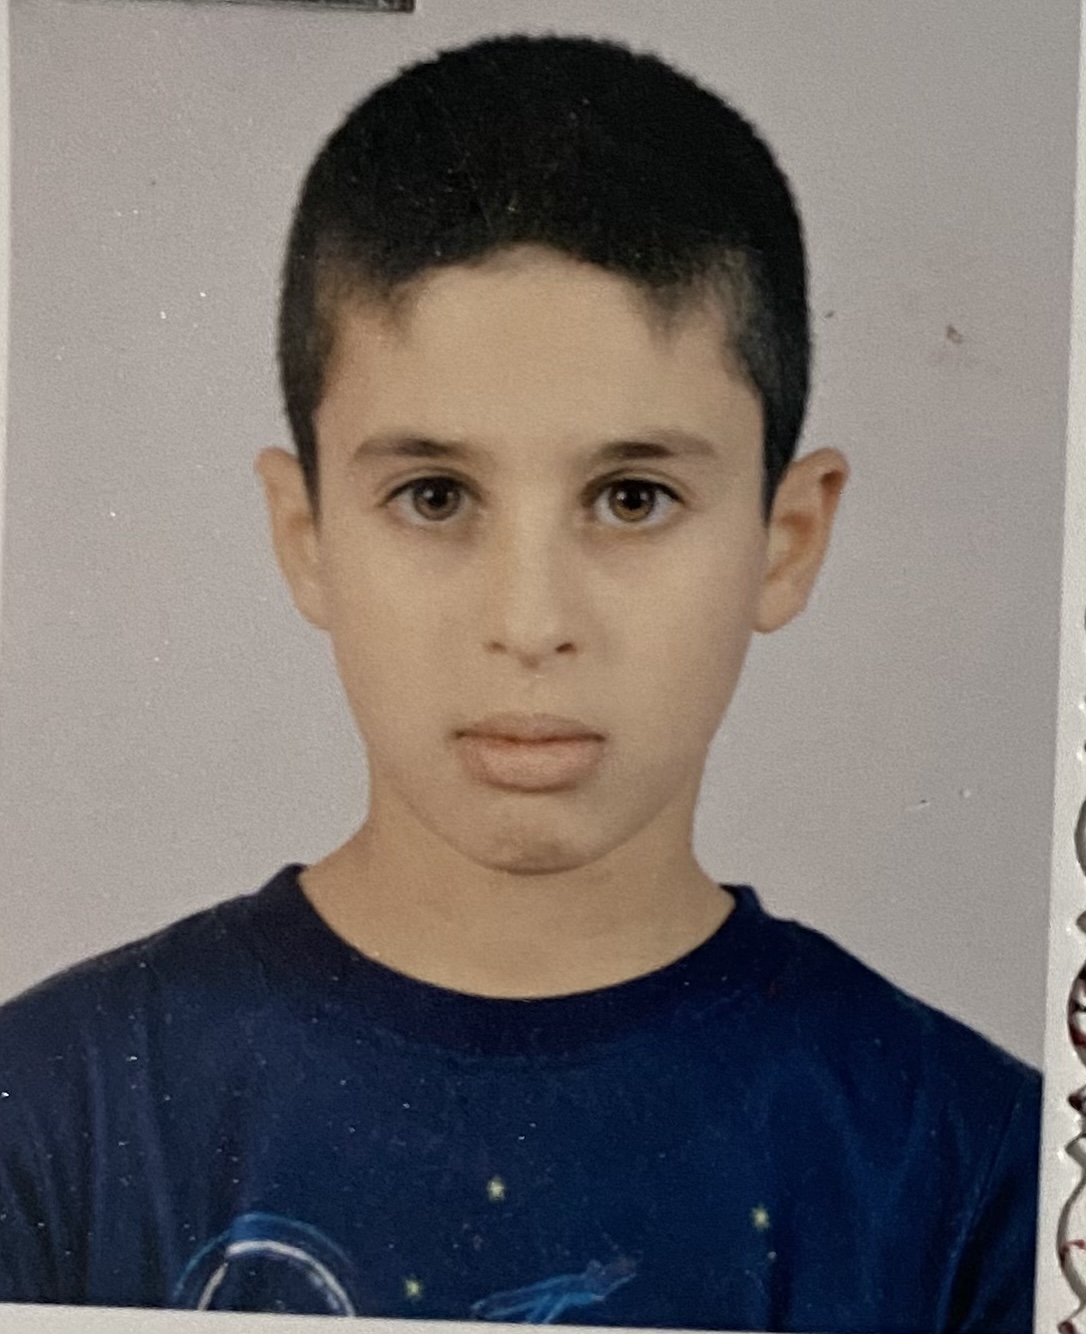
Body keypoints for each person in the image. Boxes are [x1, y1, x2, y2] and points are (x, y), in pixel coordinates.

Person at [0, 32, 1040, 1332]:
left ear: (786, 538)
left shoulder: (985, 1177)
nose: (530, 622)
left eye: (631, 496)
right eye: (435, 495)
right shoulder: (50, 1120)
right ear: (304, 533)